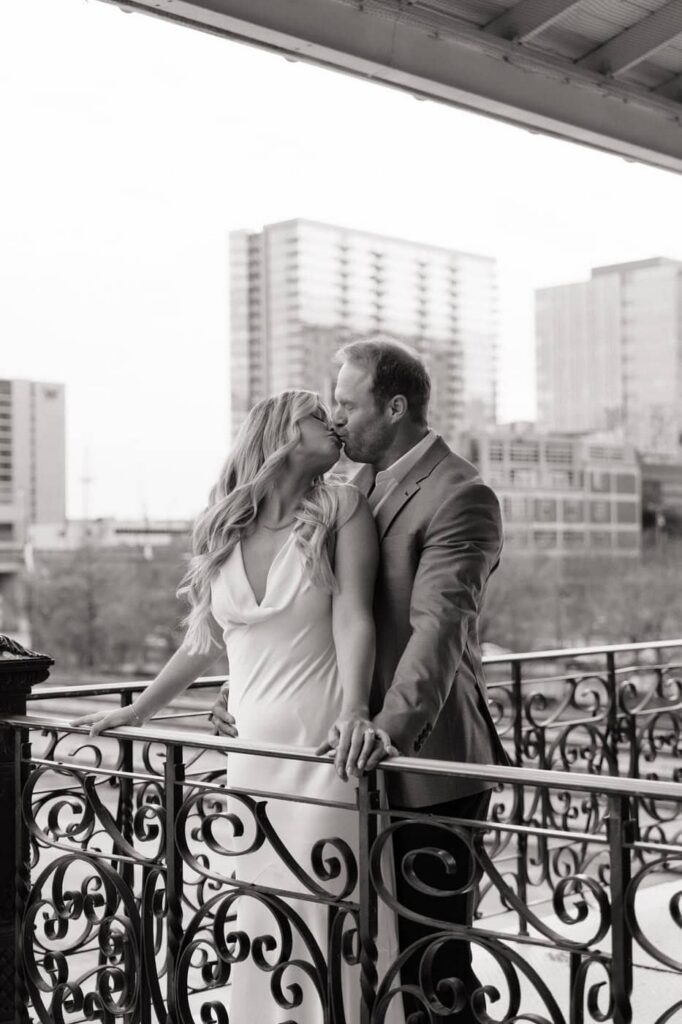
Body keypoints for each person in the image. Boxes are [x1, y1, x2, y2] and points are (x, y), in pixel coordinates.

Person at [71, 389, 404, 1024]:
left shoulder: (341, 507)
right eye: (317, 416)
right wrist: (137, 710)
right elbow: (202, 643)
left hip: (323, 752)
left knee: (329, 912)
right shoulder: (226, 523)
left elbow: (354, 619)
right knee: (265, 918)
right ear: (283, 431)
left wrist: (356, 711)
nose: (333, 423)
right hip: (250, 757)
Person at [214, 339, 507, 1023]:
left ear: (395, 406)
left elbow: (439, 631)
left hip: (422, 764)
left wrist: (386, 733)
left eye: (348, 404)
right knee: (353, 958)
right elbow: (309, 613)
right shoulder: (351, 490)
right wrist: (249, 698)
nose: (337, 419)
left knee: (433, 966)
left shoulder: (462, 494)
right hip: (337, 769)